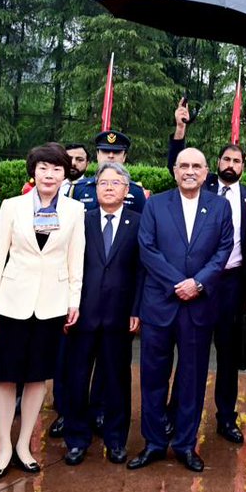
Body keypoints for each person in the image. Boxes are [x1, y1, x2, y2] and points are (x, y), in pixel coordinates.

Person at [0, 143, 85, 479]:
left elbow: (76, 259)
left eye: (56, 168)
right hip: (13, 300)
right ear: (33, 170)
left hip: (52, 303)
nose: (50, 174)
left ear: (64, 173)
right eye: (43, 167)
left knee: (37, 376)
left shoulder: (74, 210)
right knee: (7, 375)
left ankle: (25, 444)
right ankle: (4, 448)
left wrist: (74, 301)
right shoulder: (12, 206)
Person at [127, 147, 233, 473]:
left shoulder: (220, 206)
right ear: (174, 170)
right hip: (160, 304)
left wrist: (197, 284)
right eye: (183, 165)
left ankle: (186, 445)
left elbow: (224, 249)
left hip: (198, 307)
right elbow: (147, 248)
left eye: (196, 166)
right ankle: (155, 443)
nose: (190, 170)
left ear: (205, 172)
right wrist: (179, 283)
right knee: (153, 378)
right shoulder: (156, 204)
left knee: (192, 378)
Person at [168, 103, 246, 444]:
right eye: (226, 159)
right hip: (197, 284)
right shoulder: (201, 187)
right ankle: (175, 412)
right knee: (190, 349)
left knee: (227, 354)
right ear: (216, 164)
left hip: (233, 285)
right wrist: (180, 131)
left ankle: (226, 418)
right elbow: (175, 165)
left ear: (242, 167)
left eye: (237, 161)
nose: (231, 165)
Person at [62, 162, 142, 466]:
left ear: (126, 190)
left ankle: (116, 440)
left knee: (117, 380)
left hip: (120, 317)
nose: (108, 187)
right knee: (77, 379)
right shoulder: (82, 221)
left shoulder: (138, 222)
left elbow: (141, 271)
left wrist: (137, 309)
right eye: (102, 183)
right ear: (95, 190)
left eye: (115, 183)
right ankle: (76, 440)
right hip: (82, 315)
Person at [69, 130, 148, 211]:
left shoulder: (135, 191)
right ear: (97, 155)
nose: (111, 156)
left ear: (124, 157)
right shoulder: (78, 189)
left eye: (116, 152)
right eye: (105, 151)